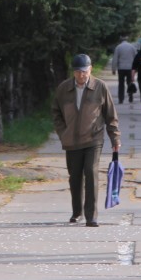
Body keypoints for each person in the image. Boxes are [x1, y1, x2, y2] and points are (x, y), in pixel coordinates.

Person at [51, 53, 121, 227]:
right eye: (78, 72)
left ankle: (91, 216)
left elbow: (110, 115)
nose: (82, 75)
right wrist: (63, 132)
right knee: (75, 177)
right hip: (71, 141)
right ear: (73, 72)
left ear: (90, 69)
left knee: (90, 172)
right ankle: (77, 212)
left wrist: (115, 138)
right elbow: (56, 113)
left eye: (85, 71)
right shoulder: (64, 89)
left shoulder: (100, 87)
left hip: (93, 138)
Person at [110, 34, 137, 105]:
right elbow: (136, 57)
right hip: (130, 68)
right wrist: (136, 68)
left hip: (121, 68)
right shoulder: (132, 47)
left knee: (121, 84)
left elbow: (115, 59)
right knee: (129, 83)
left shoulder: (118, 47)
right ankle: (130, 96)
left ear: (121, 40)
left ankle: (121, 99)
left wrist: (113, 69)